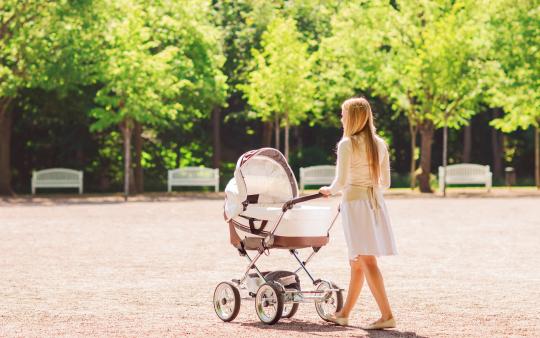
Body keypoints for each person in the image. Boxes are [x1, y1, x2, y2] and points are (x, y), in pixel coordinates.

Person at [319, 97, 398, 329]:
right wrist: (369, 189)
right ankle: (344, 313)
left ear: (351, 117)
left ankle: (387, 315)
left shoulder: (347, 144)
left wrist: (328, 190)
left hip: (355, 206)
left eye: (343, 114)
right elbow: (386, 183)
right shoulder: (379, 143)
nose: (341, 118)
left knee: (366, 259)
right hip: (375, 205)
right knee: (357, 261)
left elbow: (340, 181)